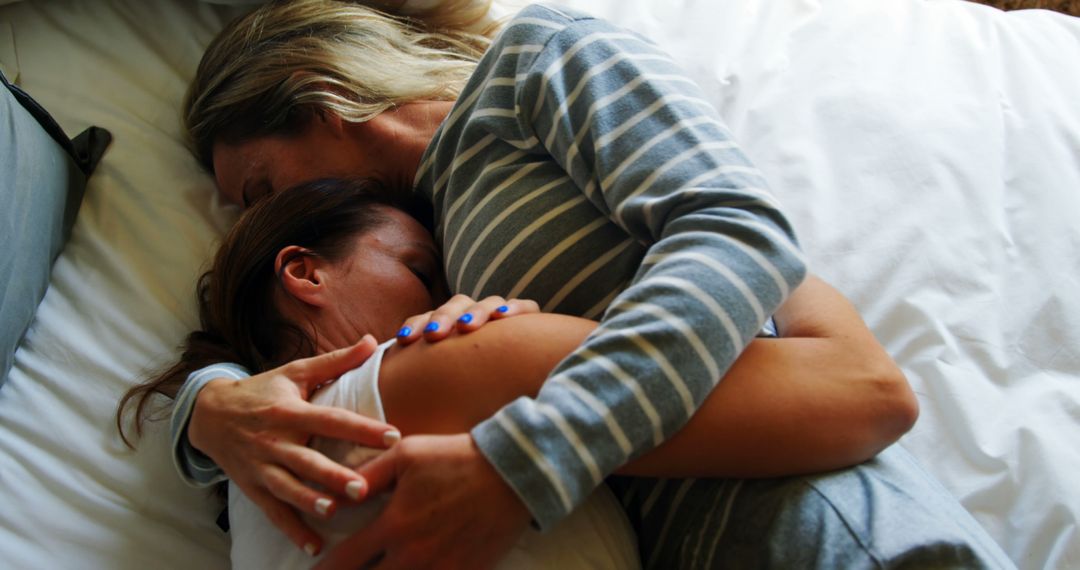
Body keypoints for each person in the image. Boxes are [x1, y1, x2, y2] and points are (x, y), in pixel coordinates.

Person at [172, 1, 1016, 568]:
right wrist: (205, 408)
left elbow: (735, 234)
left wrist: (529, 460)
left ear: (318, 99)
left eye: (260, 190)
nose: (264, 220)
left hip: (828, 523)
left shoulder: (531, 67)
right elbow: (333, 375)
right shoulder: (413, 244)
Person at [122, 177, 912, 568]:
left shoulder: (254, 507)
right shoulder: (438, 364)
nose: (448, 294)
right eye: (420, 267)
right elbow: (866, 393)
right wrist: (755, 241)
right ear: (306, 273)